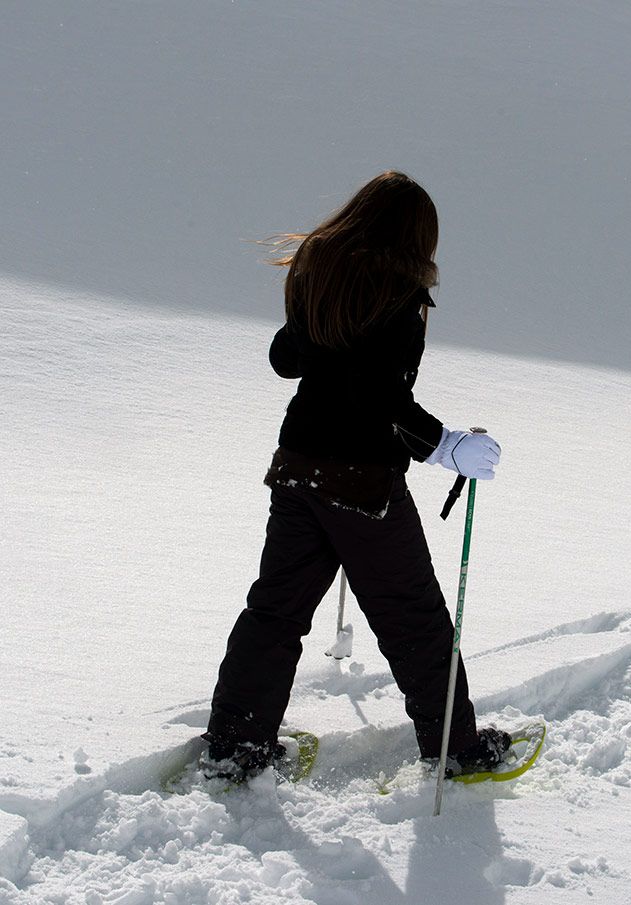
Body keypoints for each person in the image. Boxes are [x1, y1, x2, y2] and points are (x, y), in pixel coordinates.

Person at [202, 171, 508, 781]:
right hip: (361, 485)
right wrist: (446, 447)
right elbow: (377, 399)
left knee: (275, 611)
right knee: (412, 615)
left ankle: (237, 748)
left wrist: (317, 328)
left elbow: (285, 359)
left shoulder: (320, 272)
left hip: (297, 470)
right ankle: (455, 748)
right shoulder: (393, 294)